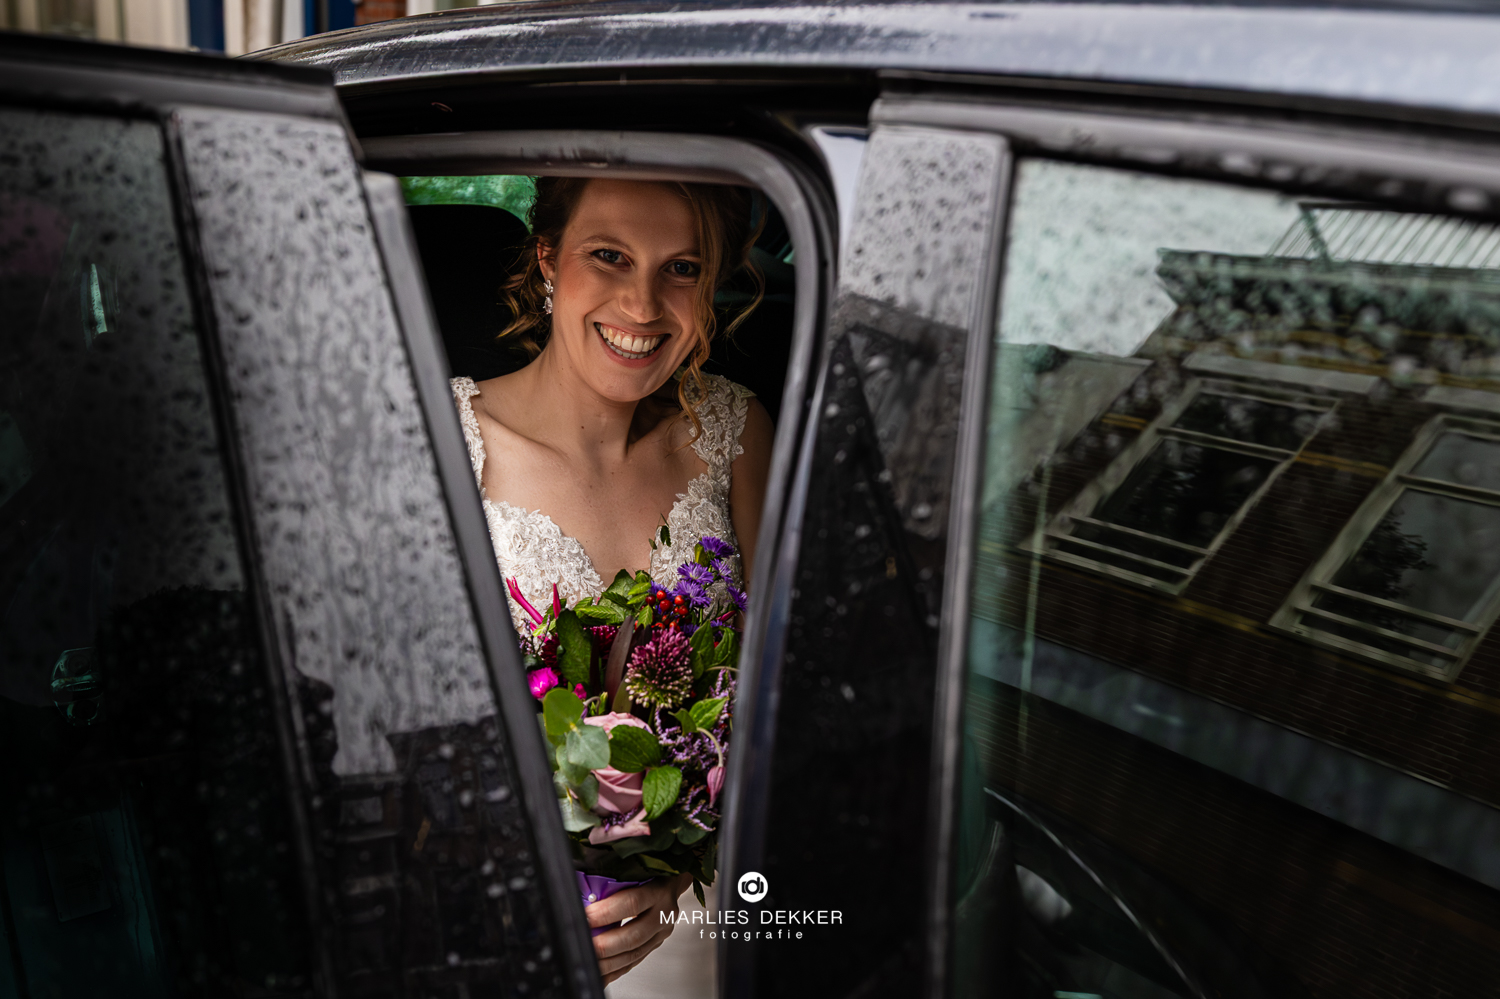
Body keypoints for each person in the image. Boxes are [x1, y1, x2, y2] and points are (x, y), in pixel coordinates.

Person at [450, 176, 773, 984]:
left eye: (684, 268)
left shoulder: (733, 432)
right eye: (609, 256)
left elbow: (787, 699)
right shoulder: (441, 445)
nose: (642, 304)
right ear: (549, 256)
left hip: (707, 906)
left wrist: (679, 855)